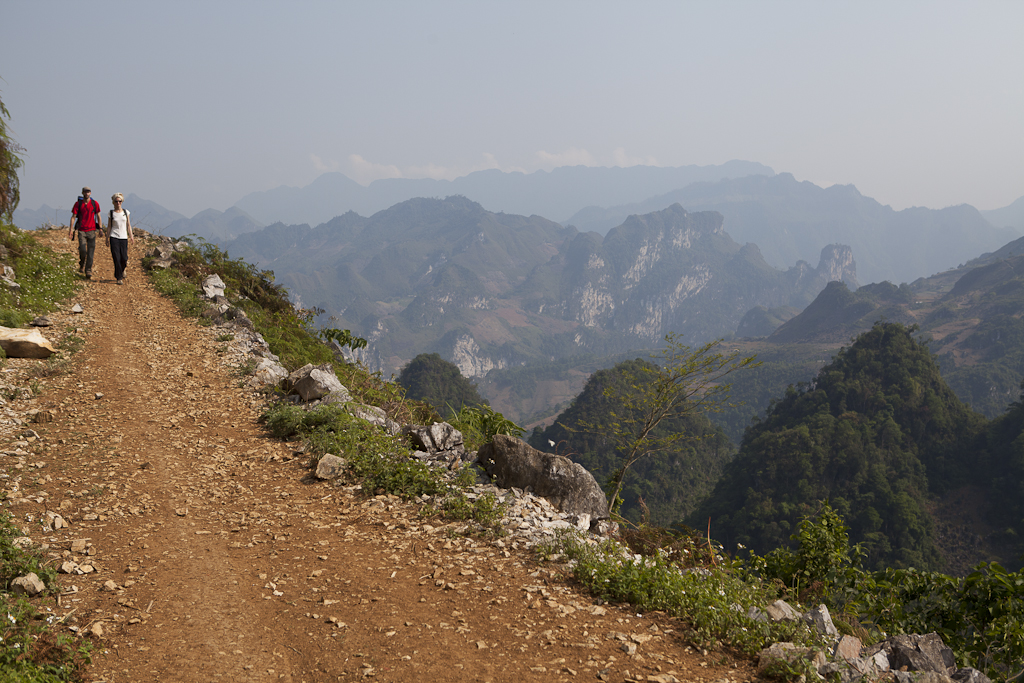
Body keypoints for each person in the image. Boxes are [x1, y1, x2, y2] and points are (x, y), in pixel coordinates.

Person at [68, 186, 104, 278]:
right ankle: (82, 263)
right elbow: (73, 217)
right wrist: (71, 230)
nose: (87, 193)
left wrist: (100, 229)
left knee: (91, 252)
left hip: (92, 230)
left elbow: (98, 216)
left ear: (90, 193)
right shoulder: (78, 204)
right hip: (81, 230)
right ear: (82, 193)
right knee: (83, 250)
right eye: (85, 192)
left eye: (88, 192)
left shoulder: (95, 203)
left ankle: (88, 270)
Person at [108, 193, 134, 285]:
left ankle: (123, 270)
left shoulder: (126, 212)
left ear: (122, 202)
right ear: (113, 202)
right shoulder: (111, 213)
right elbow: (109, 226)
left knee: (124, 257)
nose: (118, 203)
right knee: (116, 258)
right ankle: (119, 277)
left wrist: (131, 236)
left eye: (119, 201)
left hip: (123, 237)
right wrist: (107, 238)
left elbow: (128, 225)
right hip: (114, 236)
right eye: (116, 201)